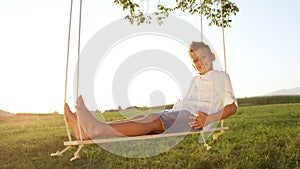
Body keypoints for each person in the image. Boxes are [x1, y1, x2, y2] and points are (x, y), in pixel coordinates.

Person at [65, 41, 237, 140]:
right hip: (181, 112)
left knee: (151, 121)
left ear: (213, 57)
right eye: (195, 60)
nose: (200, 62)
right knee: (143, 118)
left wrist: (209, 120)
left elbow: (232, 106)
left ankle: (93, 130)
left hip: (195, 118)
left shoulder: (220, 76)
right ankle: (89, 129)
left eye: (203, 57)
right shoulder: (195, 79)